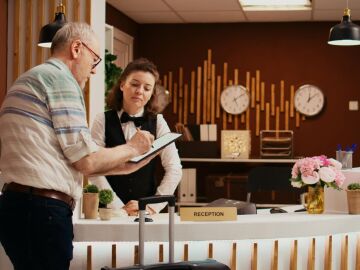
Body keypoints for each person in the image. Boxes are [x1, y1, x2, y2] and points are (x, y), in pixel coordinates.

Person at [0, 22, 155, 270]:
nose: (93, 71)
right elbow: (85, 160)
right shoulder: (61, 80)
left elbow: (70, 161)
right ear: (76, 49)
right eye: (94, 60)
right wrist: (133, 148)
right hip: (43, 211)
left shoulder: (31, 77)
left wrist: (124, 166)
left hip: (18, 206)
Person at [90, 58, 182, 215]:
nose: (140, 91)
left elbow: (174, 168)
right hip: (109, 213)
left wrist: (153, 206)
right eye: (134, 84)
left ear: (152, 93)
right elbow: (94, 167)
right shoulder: (102, 120)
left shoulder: (158, 122)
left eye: (147, 88)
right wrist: (118, 207)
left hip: (147, 213)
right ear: (122, 85)